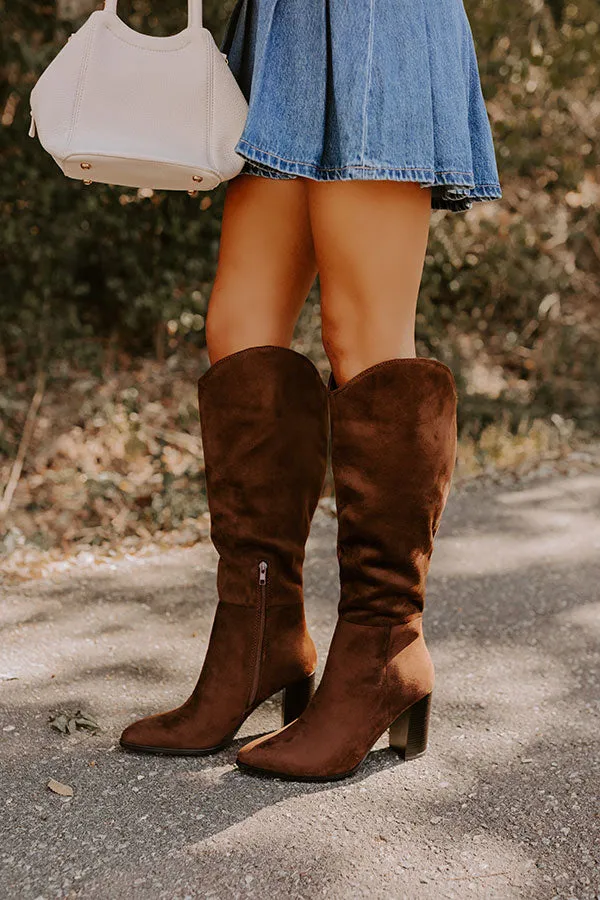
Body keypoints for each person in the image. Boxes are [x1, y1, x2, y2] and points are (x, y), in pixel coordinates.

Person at [120, 0, 501, 781]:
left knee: (362, 333)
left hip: (375, 27)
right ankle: (259, 638)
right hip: (286, 27)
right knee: (239, 326)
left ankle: (384, 648)